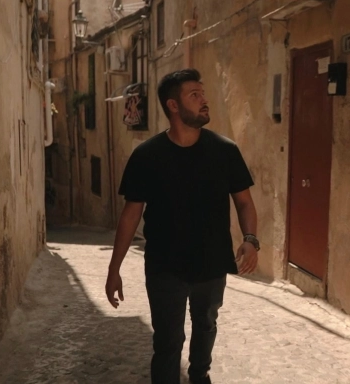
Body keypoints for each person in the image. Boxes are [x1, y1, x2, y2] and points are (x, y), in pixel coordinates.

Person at [105, 68, 259, 384]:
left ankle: (199, 375)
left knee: (206, 325)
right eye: (195, 95)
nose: (205, 100)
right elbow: (130, 215)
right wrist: (114, 269)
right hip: (165, 266)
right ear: (173, 106)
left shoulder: (225, 150)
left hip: (212, 263)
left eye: (203, 93)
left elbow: (244, 202)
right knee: (167, 342)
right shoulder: (146, 156)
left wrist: (251, 238)